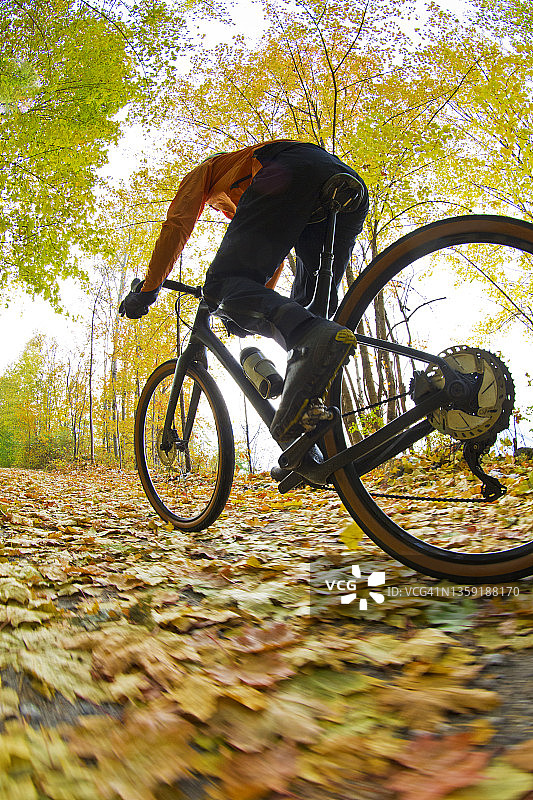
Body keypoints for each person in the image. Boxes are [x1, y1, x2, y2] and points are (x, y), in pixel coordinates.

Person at [120, 139, 369, 442]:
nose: (218, 206)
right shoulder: (242, 182)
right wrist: (250, 302)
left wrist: (147, 290)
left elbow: (177, 225)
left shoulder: (209, 170)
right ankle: (309, 426)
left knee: (222, 283)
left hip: (291, 169)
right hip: (347, 184)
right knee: (310, 314)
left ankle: (306, 340)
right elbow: (270, 252)